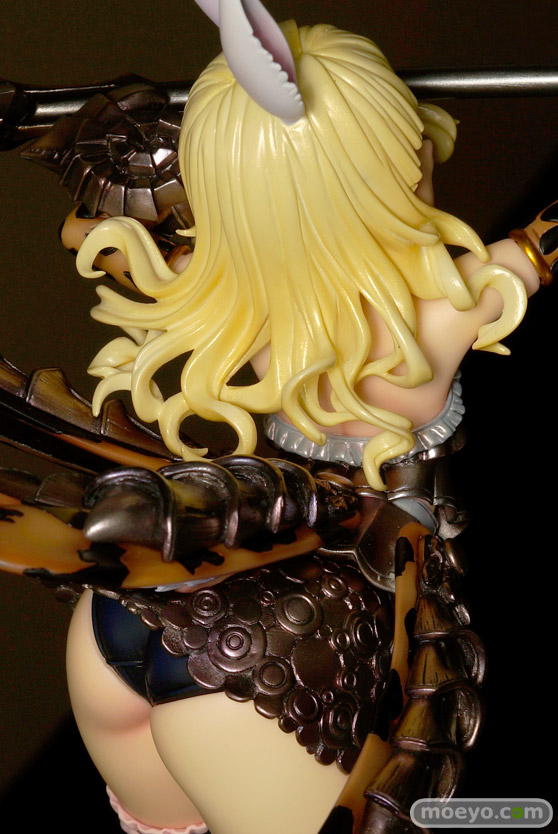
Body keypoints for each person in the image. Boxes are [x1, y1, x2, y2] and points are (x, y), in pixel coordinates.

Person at [6, 8, 555, 834]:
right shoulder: (443, 311)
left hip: (131, 610)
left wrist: (104, 142)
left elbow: (91, 232)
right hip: (365, 564)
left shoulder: (222, 283)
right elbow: (541, 245)